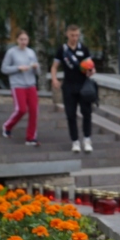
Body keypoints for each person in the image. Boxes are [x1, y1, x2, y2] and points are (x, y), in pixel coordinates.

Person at [50, 25, 95, 153]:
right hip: (68, 86)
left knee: (87, 113)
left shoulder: (84, 49)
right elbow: (54, 66)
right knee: (70, 114)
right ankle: (75, 141)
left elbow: (91, 66)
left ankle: (87, 139)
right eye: (72, 35)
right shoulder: (62, 50)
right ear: (67, 35)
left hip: (83, 86)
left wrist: (91, 71)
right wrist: (54, 79)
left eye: (77, 35)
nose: (75, 38)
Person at [0, 30, 41, 146]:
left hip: (31, 85)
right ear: (17, 40)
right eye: (21, 39)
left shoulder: (31, 52)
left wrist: (36, 67)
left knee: (34, 110)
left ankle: (31, 138)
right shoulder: (11, 52)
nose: (23, 42)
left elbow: (38, 72)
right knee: (21, 109)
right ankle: (7, 126)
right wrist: (18, 68)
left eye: (25, 39)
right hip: (17, 85)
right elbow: (4, 69)